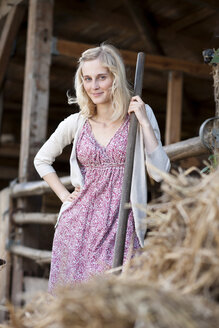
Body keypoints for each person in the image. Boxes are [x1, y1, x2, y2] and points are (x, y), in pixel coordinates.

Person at [34, 44, 170, 293]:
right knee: (72, 306)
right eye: (87, 78)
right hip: (75, 229)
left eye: (101, 77)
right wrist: (65, 196)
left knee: (112, 304)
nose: (94, 86)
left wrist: (144, 123)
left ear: (115, 78)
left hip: (121, 225)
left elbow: (159, 173)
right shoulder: (76, 122)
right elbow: (41, 159)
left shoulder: (139, 115)